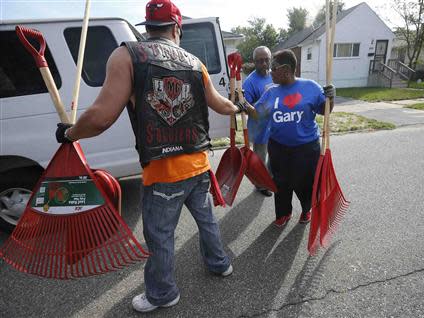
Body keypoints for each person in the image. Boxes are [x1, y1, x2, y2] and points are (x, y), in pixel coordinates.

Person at [55, 0, 252, 313]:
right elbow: (219, 103)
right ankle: (220, 264)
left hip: (164, 174)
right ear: (177, 28)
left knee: (160, 236)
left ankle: (162, 294)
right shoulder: (193, 61)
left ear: (147, 27)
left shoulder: (127, 55)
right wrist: (238, 106)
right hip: (199, 165)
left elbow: (101, 117)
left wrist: (69, 133)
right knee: (207, 222)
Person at [253, 49, 335, 228]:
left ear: (286, 69)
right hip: (278, 147)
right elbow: (257, 112)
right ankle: (284, 213)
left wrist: (331, 98)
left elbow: (325, 111)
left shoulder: (311, 87)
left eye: (273, 68)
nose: (270, 71)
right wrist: (240, 104)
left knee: (305, 183)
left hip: (306, 147)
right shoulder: (271, 91)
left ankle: (307, 210)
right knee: (280, 184)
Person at [243, 46, 274, 197]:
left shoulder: (274, 75)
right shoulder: (250, 82)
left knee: (274, 155)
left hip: (276, 125)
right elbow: (245, 106)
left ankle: (270, 178)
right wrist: (262, 107)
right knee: (260, 158)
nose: (264, 64)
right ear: (254, 62)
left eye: (266, 60)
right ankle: (260, 185)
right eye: (260, 61)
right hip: (259, 127)